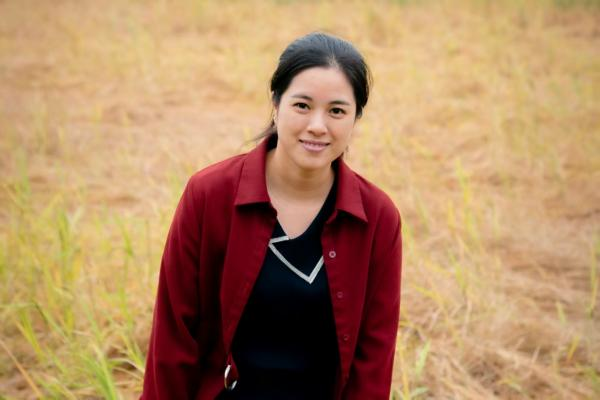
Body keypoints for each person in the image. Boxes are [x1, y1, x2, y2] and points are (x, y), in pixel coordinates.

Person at [140, 31, 402, 400]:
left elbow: (373, 360)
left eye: (337, 111)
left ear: (355, 118)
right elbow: (174, 335)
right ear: (276, 103)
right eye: (302, 105)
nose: (318, 125)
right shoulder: (210, 196)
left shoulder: (377, 218)